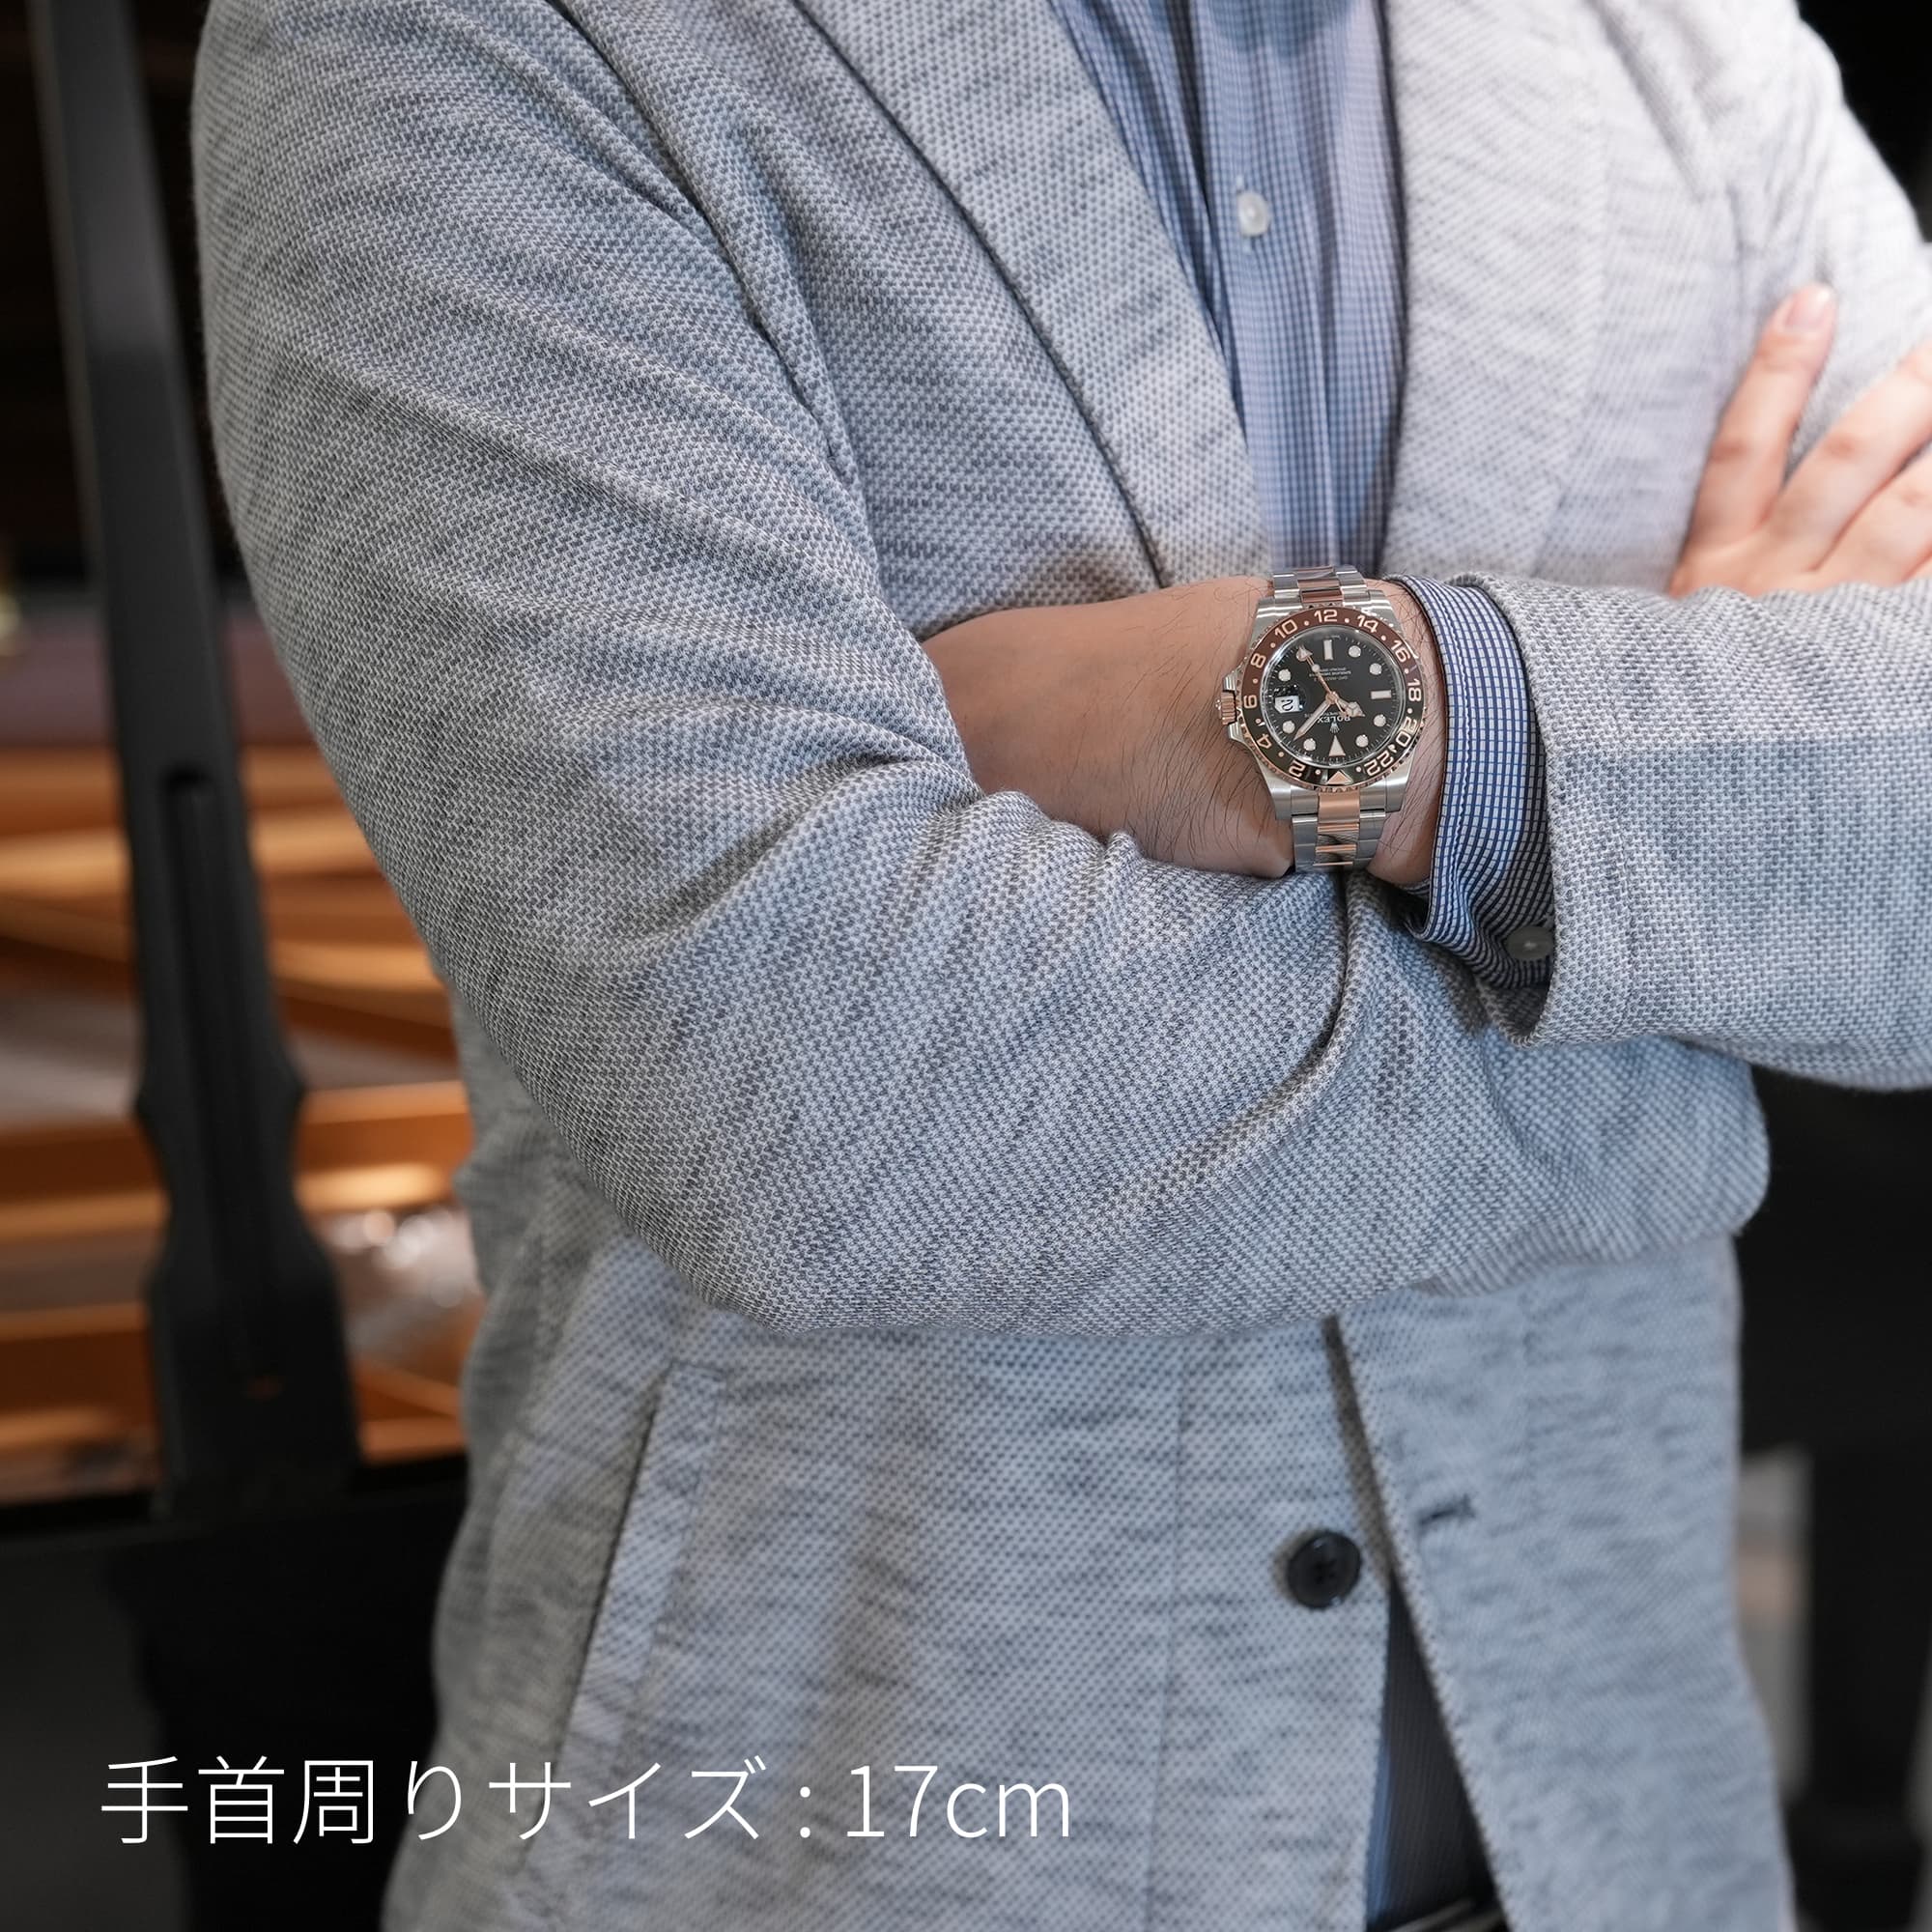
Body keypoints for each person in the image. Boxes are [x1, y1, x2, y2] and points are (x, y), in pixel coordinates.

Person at [189, 1, 1932, 1927]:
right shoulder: (464, 37)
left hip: (1639, 1858)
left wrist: (1389, 718)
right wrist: (1682, 959)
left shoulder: (1690, 49)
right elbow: (814, 1105)